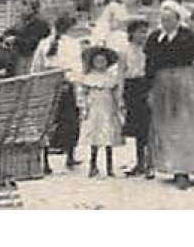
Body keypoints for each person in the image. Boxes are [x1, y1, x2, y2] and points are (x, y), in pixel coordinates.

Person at [144, 0, 194, 190]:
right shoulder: (154, 39)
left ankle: (185, 170)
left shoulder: (190, 38)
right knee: (167, 126)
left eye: (170, 19)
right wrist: (149, 89)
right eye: (163, 19)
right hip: (162, 85)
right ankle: (171, 165)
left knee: (186, 126)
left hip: (185, 82)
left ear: (178, 19)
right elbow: (149, 66)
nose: (166, 23)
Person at [31, 13, 83, 171]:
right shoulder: (72, 44)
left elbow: (36, 68)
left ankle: (45, 162)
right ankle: (70, 156)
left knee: (48, 123)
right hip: (65, 85)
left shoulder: (44, 43)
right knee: (70, 121)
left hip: (48, 86)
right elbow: (77, 69)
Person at [78, 45, 123, 178]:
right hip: (94, 108)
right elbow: (83, 94)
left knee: (108, 136)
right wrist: (84, 107)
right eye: (97, 62)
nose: (100, 64)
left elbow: (116, 93)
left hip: (107, 108)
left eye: (103, 61)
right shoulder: (88, 77)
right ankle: (93, 166)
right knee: (95, 137)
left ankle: (110, 167)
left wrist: (118, 105)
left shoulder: (110, 77)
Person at [118, 18, 152, 177]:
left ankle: (150, 162)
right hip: (131, 87)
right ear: (131, 33)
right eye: (140, 32)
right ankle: (140, 162)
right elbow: (120, 74)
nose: (143, 35)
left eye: (145, 32)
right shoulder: (125, 51)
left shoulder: (149, 49)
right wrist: (119, 95)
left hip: (146, 85)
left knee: (149, 125)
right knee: (138, 127)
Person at [1, 0, 50, 77]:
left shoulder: (39, 22)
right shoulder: (23, 20)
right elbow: (9, 31)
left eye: (21, 7)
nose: (19, 9)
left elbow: (33, 43)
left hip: (31, 58)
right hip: (17, 56)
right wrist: (5, 38)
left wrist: (15, 40)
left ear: (29, 6)